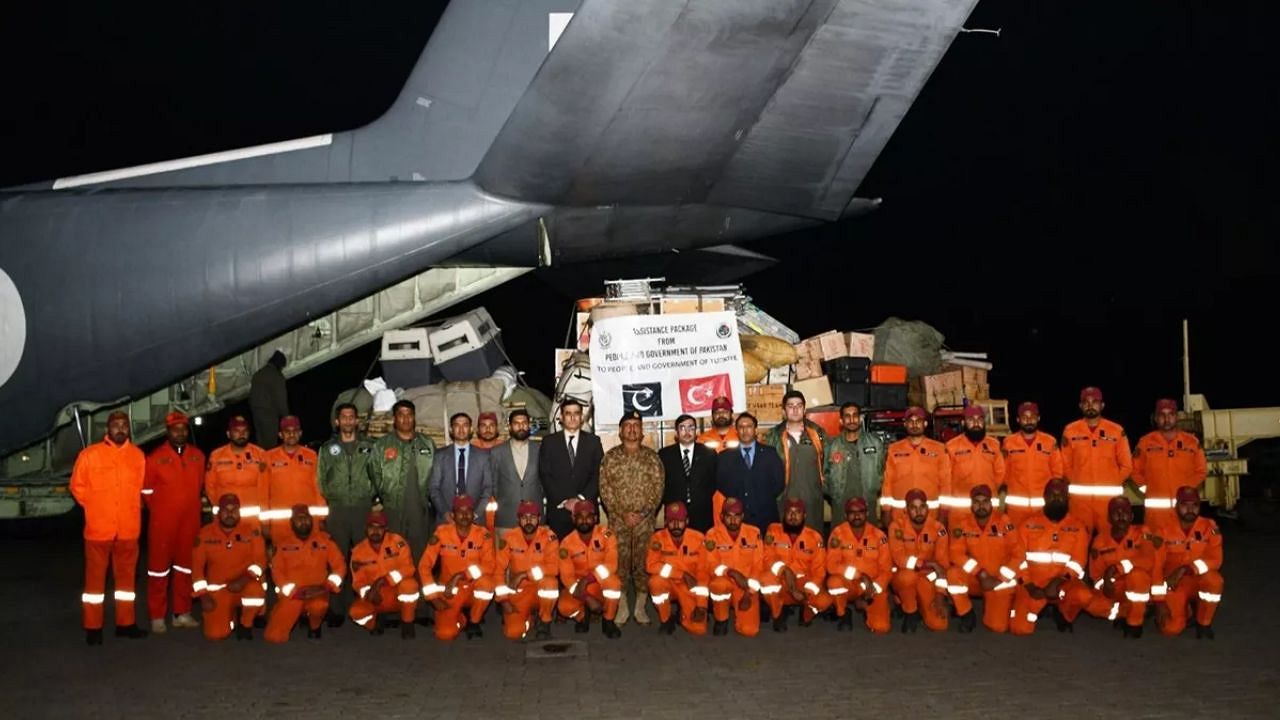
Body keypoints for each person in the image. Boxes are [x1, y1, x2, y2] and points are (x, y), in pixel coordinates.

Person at [70, 410, 148, 645]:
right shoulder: (89, 455)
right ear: (108, 429)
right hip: (99, 531)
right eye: (116, 425)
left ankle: (126, 624)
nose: (121, 429)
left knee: (126, 584)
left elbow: (141, 489)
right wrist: (95, 507)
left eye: (124, 425)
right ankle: (93, 628)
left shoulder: (137, 456)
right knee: (94, 584)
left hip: (128, 530)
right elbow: (77, 487)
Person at [598, 410, 665, 626]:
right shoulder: (611, 458)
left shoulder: (652, 458)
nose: (632, 429)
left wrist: (643, 514)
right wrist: (621, 513)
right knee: (619, 564)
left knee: (644, 563)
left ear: (642, 430)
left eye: (636, 425)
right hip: (619, 522)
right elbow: (605, 488)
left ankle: (640, 608)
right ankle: (622, 607)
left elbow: (658, 488)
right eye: (628, 425)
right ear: (620, 431)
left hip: (645, 523)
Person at [142, 410, 205, 634]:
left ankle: (182, 612)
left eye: (183, 429)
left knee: (185, 569)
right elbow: (147, 492)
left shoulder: (197, 456)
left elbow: (199, 488)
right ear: (167, 432)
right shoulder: (154, 458)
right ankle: (157, 616)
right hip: (163, 524)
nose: (180, 433)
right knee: (158, 571)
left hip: (190, 523)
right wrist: (163, 510)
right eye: (175, 429)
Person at [316, 402, 378, 626]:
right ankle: (336, 608)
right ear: (337, 421)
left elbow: (377, 475)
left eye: (352, 417)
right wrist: (331, 500)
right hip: (338, 510)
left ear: (357, 421)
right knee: (337, 559)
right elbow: (320, 480)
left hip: (362, 508)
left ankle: (365, 606)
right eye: (344, 417)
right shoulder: (327, 449)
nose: (348, 421)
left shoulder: (370, 447)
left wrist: (369, 495)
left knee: (364, 559)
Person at [1008, 479, 1093, 635]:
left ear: (1067, 499)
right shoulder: (1028, 524)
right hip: (1033, 585)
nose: (1057, 498)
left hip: (1061, 585)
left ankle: (1064, 614)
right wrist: (1029, 586)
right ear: (1044, 497)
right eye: (1052, 495)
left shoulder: (1078, 527)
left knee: (1084, 596)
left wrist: (1059, 581)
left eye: (1061, 495)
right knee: (1019, 629)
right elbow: (1018, 559)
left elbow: (1078, 562)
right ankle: (1038, 607)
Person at [419, 496, 497, 641]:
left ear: (473, 514)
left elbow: (489, 565)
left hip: (473, 588)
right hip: (450, 592)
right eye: (460, 511)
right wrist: (433, 598)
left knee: (487, 583)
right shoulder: (441, 533)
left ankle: (474, 620)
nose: (464, 515)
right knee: (445, 634)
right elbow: (424, 565)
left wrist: (461, 575)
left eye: (468, 511)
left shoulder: (483, 534)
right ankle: (461, 619)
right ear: (453, 515)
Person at [264, 505, 346, 643]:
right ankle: (282, 613)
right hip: (293, 595)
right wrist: (295, 592)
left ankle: (314, 626)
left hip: (318, 592)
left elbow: (340, 566)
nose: (303, 521)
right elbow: (277, 572)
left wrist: (327, 586)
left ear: (312, 520)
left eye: (306, 518)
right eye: (299, 518)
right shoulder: (282, 544)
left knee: (319, 606)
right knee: (274, 637)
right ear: (291, 522)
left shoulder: (325, 541)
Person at [191, 493, 268, 641]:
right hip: (219, 589)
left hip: (245, 584)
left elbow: (261, 561)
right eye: (226, 510)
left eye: (234, 509)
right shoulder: (205, 534)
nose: (230, 514)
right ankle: (231, 618)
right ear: (219, 512)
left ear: (240, 512)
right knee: (216, 635)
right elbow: (197, 570)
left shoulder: (251, 531)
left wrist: (244, 579)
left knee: (256, 591)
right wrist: (203, 596)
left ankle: (246, 624)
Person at [944, 485, 1018, 634]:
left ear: (991, 503)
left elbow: (1018, 553)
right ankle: (966, 613)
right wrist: (980, 573)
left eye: (985, 501)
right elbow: (956, 554)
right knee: (953, 574)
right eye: (977, 502)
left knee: (998, 627)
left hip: (998, 581)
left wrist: (999, 579)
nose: (981, 506)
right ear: (971, 505)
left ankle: (991, 608)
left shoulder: (1004, 522)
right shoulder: (962, 525)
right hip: (975, 579)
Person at [1078, 497, 1155, 638]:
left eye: (1125, 512)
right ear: (1108, 517)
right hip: (1113, 589)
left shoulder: (1144, 532)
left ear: (1131, 516)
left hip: (1136, 585)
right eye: (1116, 513)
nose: (1121, 516)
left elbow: (1147, 559)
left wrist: (1117, 568)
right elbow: (1096, 575)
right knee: (1086, 600)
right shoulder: (1100, 540)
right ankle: (1123, 612)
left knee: (1137, 576)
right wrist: (1104, 585)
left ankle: (1134, 623)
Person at [1060, 387, 1133, 535]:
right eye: (1086, 402)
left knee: (1108, 546)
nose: (1090, 405)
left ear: (1102, 405)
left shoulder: (1116, 431)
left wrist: (1112, 481)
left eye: (1095, 402)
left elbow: (1127, 466)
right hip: (1080, 504)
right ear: (1080, 406)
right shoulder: (1070, 431)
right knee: (1078, 544)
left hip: (1109, 503)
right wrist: (1078, 481)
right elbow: (1064, 465)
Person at [1152, 486, 1223, 639]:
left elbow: (1215, 559)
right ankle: (1186, 610)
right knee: (1170, 629)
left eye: (1195, 505)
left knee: (1215, 580)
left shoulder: (1209, 527)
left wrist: (1186, 569)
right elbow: (1156, 567)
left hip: (1198, 579)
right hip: (1174, 584)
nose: (1190, 509)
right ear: (1176, 505)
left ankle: (1203, 622)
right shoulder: (1162, 529)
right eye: (1185, 505)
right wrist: (1159, 604)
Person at [371, 400, 436, 558]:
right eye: (401, 415)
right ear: (395, 418)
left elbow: (435, 474)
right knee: (394, 551)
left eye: (409, 415)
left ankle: (418, 582)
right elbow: (374, 474)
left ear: (414, 417)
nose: (405, 419)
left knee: (419, 552)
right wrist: (385, 497)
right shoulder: (382, 445)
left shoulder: (427, 444)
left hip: (419, 509)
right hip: (393, 509)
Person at [1132, 399, 1206, 534]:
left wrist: (1187, 492)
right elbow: (1135, 470)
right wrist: (1148, 489)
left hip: (1183, 512)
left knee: (1183, 550)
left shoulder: (1191, 442)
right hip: (1156, 516)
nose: (1166, 419)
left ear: (1176, 417)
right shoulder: (1145, 443)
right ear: (1156, 418)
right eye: (1162, 415)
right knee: (1156, 550)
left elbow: (1201, 471)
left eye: (1171, 414)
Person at [760, 498, 830, 632]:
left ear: (804, 515)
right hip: (782, 583)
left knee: (824, 601)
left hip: (803, 586)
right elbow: (766, 558)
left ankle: (806, 614)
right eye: (789, 512)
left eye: (797, 512)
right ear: (783, 515)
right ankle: (777, 614)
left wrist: (806, 593)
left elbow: (819, 571)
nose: (793, 516)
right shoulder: (773, 531)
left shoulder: (815, 538)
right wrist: (784, 570)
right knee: (766, 579)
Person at [347, 510, 420, 638]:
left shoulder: (398, 542)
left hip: (396, 592)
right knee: (355, 612)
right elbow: (358, 582)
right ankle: (374, 623)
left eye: (379, 527)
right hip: (374, 596)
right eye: (371, 527)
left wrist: (384, 580)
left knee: (410, 585)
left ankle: (407, 623)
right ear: (366, 529)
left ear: (386, 528)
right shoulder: (358, 551)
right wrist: (368, 593)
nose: (375, 531)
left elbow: (408, 568)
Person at [495, 500, 561, 640]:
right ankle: (528, 619)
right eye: (524, 517)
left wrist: (525, 575)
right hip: (519, 592)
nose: (529, 521)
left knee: (551, 583)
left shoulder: (549, 537)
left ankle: (545, 621)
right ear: (518, 520)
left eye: (532, 517)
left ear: (539, 518)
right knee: (513, 633)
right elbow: (498, 570)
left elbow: (553, 568)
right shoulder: (509, 538)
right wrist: (503, 600)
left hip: (540, 589)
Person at [887, 489, 951, 633]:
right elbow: (899, 559)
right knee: (908, 577)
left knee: (939, 625)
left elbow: (943, 568)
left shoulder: (938, 529)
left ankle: (921, 604)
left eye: (922, 507)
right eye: (913, 508)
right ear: (906, 510)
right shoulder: (896, 527)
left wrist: (940, 597)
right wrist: (928, 564)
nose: (918, 511)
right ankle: (910, 611)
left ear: (927, 508)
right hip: (903, 578)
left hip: (926, 580)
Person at [825, 497, 892, 633]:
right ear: (845, 515)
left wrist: (872, 591)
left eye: (860, 511)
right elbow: (831, 565)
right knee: (834, 583)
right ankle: (843, 613)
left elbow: (886, 570)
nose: (856, 515)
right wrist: (859, 575)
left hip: (872, 587)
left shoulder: (879, 536)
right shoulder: (838, 534)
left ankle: (867, 607)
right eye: (852, 512)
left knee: (881, 627)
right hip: (850, 584)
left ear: (867, 514)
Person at [556, 500, 623, 637]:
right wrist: (586, 598)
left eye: (589, 517)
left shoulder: (607, 536)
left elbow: (611, 565)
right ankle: (582, 616)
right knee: (563, 607)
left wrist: (588, 579)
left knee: (614, 583)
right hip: (579, 587)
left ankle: (608, 620)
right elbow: (567, 577)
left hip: (599, 583)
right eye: (580, 517)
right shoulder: (566, 543)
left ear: (596, 518)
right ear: (573, 519)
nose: (584, 521)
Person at [539, 399, 604, 538]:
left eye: (577, 413)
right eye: (568, 413)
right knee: (560, 557)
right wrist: (565, 501)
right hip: (559, 512)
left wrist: (580, 499)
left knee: (590, 557)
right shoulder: (549, 443)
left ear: (582, 417)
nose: (573, 417)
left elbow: (599, 475)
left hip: (587, 513)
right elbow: (545, 475)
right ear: (561, 418)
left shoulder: (594, 442)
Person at [763, 391, 826, 532]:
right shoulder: (773, 436)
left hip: (812, 499)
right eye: (790, 406)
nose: (795, 409)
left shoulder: (818, 434)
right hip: (783, 499)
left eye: (799, 405)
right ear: (784, 411)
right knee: (784, 542)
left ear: (805, 409)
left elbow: (828, 464)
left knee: (812, 542)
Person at [646, 501, 711, 636]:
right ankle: (666, 619)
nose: (676, 525)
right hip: (668, 583)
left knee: (699, 630)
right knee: (655, 582)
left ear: (687, 521)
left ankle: (684, 614)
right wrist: (681, 574)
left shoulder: (698, 538)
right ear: (665, 522)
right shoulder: (657, 538)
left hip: (689, 586)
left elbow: (703, 573)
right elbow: (651, 565)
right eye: (671, 521)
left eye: (680, 521)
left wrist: (701, 605)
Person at [262, 416, 327, 546]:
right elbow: (262, 491)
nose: (291, 434)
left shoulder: (311, 456)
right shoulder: (268, 457)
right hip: (280, 524)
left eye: (295, 430)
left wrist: (321, 518)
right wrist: (264, 522)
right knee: (282, 562)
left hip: (308, 522)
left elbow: (318, 487)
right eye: (287, 431)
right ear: (280, 434)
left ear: (300, 433)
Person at [705, 498, 764, 637]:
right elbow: (711, 565)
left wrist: (749, 593)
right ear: (722, 517)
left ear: (742, 516)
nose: (733, 521)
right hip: (724, 582)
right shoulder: (712, 535)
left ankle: (742, 613)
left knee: (750, 631)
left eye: (736, 516)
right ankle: (721, 619)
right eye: (729, 516)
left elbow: (758, 566)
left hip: (745, 586)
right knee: (719, 585)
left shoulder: (754, 533)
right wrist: (730, 572)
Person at [715, 413, 785, 530]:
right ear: (736, 431)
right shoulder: (725, 457)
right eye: (741, 427)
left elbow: (779, 483)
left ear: (755, 430)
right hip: (738, 519)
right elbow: (722, 484)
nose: (745, 430)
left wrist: (762, 498)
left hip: (766, 517)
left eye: (749, 426)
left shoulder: (770, 454)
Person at [880, 407, 949, 523]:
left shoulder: (939, 449)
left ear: (925, 423)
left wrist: (943, 513)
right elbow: (887, 483)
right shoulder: (894, 450)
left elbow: (946, 483)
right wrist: (886, 511)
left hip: (931, 515)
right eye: (911, 421)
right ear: (905, 424)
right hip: (900, 515)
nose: (914, 424)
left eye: (918, 421)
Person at [1000, 402, 1064, 525]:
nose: (1029, 420)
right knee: (1017, 543)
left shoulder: (1050, 442)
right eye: (1024, 417)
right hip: (1016, 510)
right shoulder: (1009, 443)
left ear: (1038, 418)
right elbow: (1003, 475)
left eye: (1032, 417)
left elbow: (1058, 473)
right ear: (1018, 420)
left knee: (1042, 542)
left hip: (1043, 508)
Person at [823, 402, 886, 526]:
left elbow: (882, 472)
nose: (851, 420)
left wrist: (873, 491)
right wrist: (834, 495)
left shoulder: (875, 444)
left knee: (869, 542)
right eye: (847, 416)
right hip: (840, 507)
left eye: (855, 415)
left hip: (867, 504)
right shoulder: (832, 446)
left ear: (860, 418)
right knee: (840, 543)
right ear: (841, 421)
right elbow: (824, 476)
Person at [943, 406, 1005, 526]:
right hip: (960, 513)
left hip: (987, 511)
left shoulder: (994, 445)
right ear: (963, 422)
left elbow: (1000, 474)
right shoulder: (951, 447)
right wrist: (945, 511)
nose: (976, 423)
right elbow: (946, 480)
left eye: (980, 419)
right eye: (971, 420)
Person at [205, 415, 270, 528]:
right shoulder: (216, 456)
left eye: (245, 431)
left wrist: (265, 522)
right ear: (228, 434)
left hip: (253, 521)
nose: (242, 434)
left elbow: (265, 488)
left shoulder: (261, 455)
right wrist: (222, 512)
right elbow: (210, 486)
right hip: (225, 519)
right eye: (237, 431)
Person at [428, 412, 494, 523]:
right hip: (447, 518)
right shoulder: (440, 456)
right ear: (451, 430)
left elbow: (488, 488)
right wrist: (445, 513)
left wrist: (476, 513)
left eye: (465, 425)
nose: (461, 429)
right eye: (457, 425)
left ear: (471, 429)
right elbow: (434, 488)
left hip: (475, 519)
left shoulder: (483, 456)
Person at [489, 409, 543, 536]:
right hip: (507, 518)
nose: (520, 426)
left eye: (524, 422)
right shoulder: (497, 452)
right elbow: (493, 484)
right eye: (516, 423)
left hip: (535, 518)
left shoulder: (540, 449)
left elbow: (545, 481)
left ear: (529, 425)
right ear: (510, 426)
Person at [659, 414, 718, 532]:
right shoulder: (664, 455)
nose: (687, 432)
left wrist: (701, 497)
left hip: (702, 513)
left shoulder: (709, 454)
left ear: (695, 431)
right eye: (682, 428)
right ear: (676, 432)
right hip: (675, 514)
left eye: (691, 427)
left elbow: (714, 482)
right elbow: (660, 485)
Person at [249, 349, 289, 449]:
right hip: (269, 415)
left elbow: (251, 396)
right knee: (270, 445)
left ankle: (261, 462)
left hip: (256, 414)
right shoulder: (277, 376)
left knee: (260, 444)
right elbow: (281, 399)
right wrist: (286, 416)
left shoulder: (258, 374)